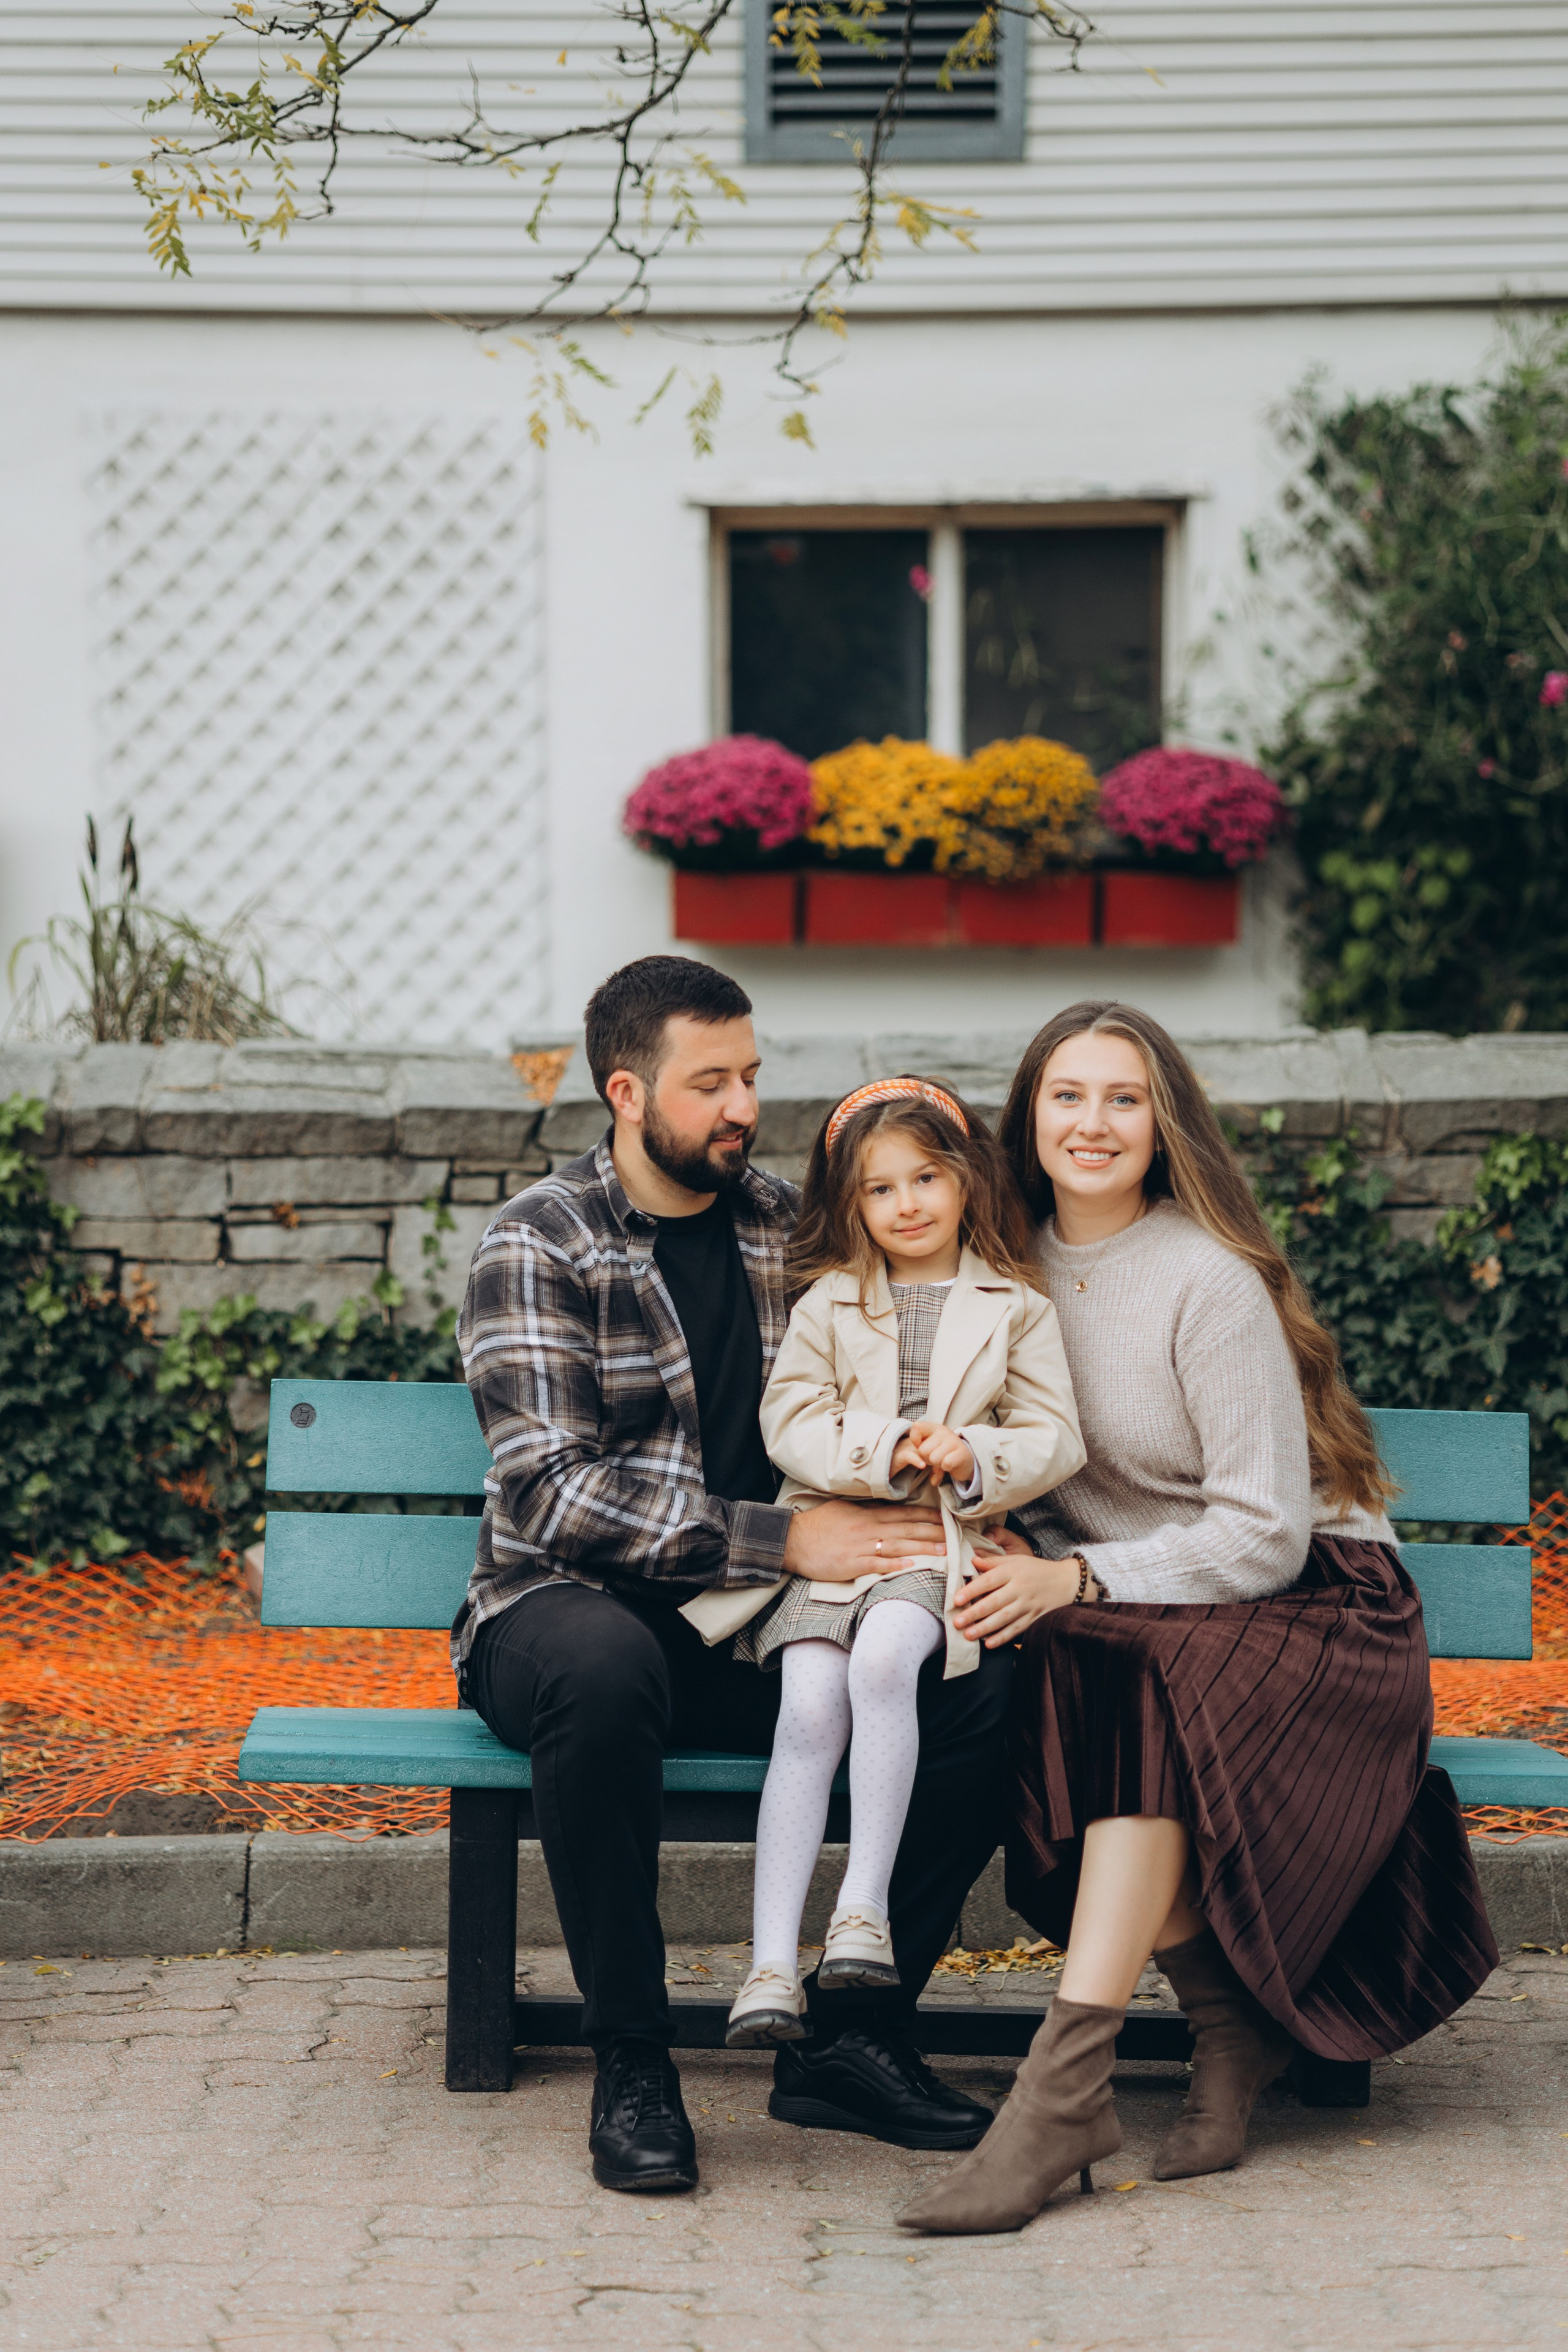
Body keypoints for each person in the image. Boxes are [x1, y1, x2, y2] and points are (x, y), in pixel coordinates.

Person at [897, 999, 1498, 2238]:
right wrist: (1019, 1546)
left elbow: (1265, 1536)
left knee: (1129, 1677)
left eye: (1123, 1098)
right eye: (1066, 1095)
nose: (1092, 1123)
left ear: (1163, 1123)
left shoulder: (1202, 1279)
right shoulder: (997, 1272)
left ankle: (1060, 2090)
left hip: (1314, 1606)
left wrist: (1073, 1579)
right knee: (1072, 1670)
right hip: (1153, 1611)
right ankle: (1227, 2025)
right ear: (1028, 1115)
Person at [454, 956, 1016, 2198]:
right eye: (708, 1083)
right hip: (561, 1609)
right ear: (624, 1091)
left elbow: (931, 1360)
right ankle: (633, 2056)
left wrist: (974, 1506)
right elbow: (550, 1493)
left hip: (757, 1626)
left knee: (979, 1688)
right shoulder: (538, 1241)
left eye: (751, 1077)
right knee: (602, 1675)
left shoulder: (785, 1226)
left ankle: (853, 2036)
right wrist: (781, 1540)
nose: (741, 1107)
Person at [685, 1076, 1084, 2048]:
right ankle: (771, 1962)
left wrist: (976, 1458)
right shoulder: (828, 1300)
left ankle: (862, 1910)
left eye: (925, 1179)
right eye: (878, 1189)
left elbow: (1054, 1434)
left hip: (934, 1546)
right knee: (809, 1707)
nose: (907, 1204)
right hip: (827, 1546)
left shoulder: (1014, 1306)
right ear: (851, 1205)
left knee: (886, 1659)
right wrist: (882, 1447)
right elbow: (790, 1421)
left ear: (965, 1183)